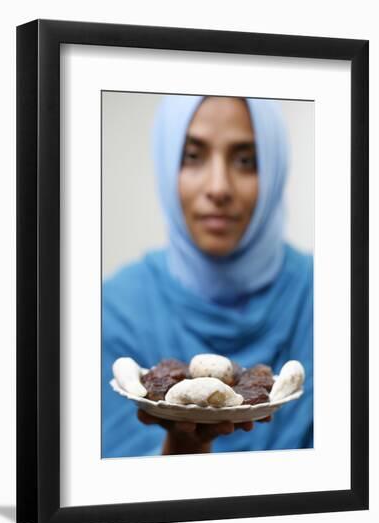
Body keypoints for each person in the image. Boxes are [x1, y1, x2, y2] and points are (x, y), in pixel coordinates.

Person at [101, 95, 313, 458]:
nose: (219, 188)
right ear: (167, 164)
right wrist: (183, 443)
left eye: (246, 160)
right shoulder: (115, 309)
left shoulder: (334, 296)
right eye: (193, 156)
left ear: (275, 169)